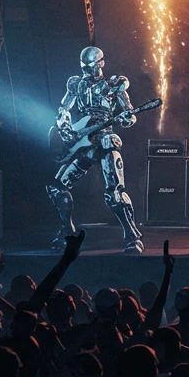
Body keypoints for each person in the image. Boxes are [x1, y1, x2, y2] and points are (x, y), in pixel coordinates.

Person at [46, 46, 147, 254]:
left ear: (101, 63)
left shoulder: (113, 85)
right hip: (84, 141)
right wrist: (65, 128)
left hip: (105, 139)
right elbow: (63, 110)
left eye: (90, 66)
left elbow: (130, 115)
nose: (86, 71)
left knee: (115, 192)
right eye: (83, 66)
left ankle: (132, 236)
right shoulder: (76, 85)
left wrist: (126, 118)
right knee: (57, 187)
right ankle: (66, 229)